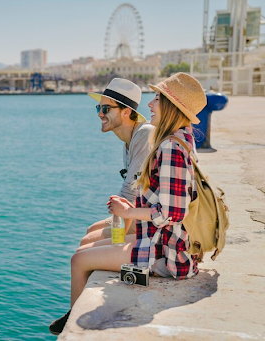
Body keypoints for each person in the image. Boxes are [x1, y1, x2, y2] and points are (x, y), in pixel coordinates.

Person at [49, 72, 207, 335]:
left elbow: (173, 212)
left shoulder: (166, 146)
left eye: (157, 98)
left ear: (170, 105)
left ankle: (74, 329)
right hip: (162, 238)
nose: (150, 104)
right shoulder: (177, 139)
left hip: (166, 250)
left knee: (79, 260)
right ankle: (75, 310)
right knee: (87, 244)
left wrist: (126, 212)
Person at [81, 78, 153, 247]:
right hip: (139, 212)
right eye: (98, 108)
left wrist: (117, 231)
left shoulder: (144, 135)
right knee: (91, 230)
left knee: (86, 242)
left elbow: (130, 193)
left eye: (105, 108)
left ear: (126, 112)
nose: (100, 114)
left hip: (153, 220)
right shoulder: (129, 140)